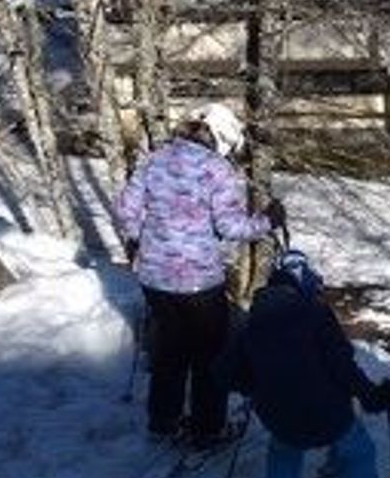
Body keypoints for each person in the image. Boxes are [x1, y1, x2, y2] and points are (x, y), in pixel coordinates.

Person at [116, 102, 285, 449]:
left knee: (170, 351)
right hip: (199, 282)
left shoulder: (154, 158)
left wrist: (135, 239)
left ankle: (163, 421)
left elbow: (125, 209)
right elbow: (230, 226)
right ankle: (207, 430)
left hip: (154, 279)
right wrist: (268, 221)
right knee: (210, 357)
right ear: (222, 138)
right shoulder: (218, 171)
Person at [218, 248, 390, 478]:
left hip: (279, 417)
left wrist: (260, 383)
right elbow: (343, 368)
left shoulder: (252, 321)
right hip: (329, 416)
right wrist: (375, 397)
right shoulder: (316, 314)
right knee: (357, 454)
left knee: (282, 451)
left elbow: (226, 374)